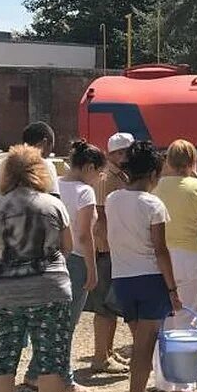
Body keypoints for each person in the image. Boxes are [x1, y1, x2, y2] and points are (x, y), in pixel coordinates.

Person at [0, 145, 76, 392]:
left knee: (0, 364)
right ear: (40, 172)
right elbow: (68, 247)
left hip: (0, 294)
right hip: (49, 289)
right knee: (50, 361)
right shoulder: (53, 205)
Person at [106, 141, 182, 392]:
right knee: (143, 350)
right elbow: (160, 251)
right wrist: (173, 290)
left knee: (140, 344)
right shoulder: (153, 204)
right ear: (153, 172)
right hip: (150, 279)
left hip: (122, 279)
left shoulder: (113, 199)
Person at [23, 140, 106, 392]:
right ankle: (65, 379)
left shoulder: (53, 183)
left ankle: (36, 371)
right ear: (90, 167)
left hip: (48, 257)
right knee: (66, 324)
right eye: (98, 172)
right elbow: (84, 234)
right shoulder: (85, 192)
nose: (99, 178)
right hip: (75, 259)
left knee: (48, 321)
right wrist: (92, 268)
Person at [152, 140, 197, 392]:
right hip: (190, 254)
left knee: (163, 319)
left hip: (160, 256)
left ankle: (163, 382)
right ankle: (185, 384)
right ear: (192, 161)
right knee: (188, 316)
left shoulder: (155, 187)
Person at [89, 132, 135, 375]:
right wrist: (106, 243)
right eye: (123, 151)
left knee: (112, 304)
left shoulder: (122, 175)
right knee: (104, 307)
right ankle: (99, 356)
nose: (127, 155)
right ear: (114, 153)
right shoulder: (107, 178)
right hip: (106, 247)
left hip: (115, 247)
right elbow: (101, 214)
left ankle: (108, 351)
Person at [0, 121, 60, 235]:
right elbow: (55, 212)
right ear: (44, 143)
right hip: (33, 244)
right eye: (50, 148)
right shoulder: (45, 166)